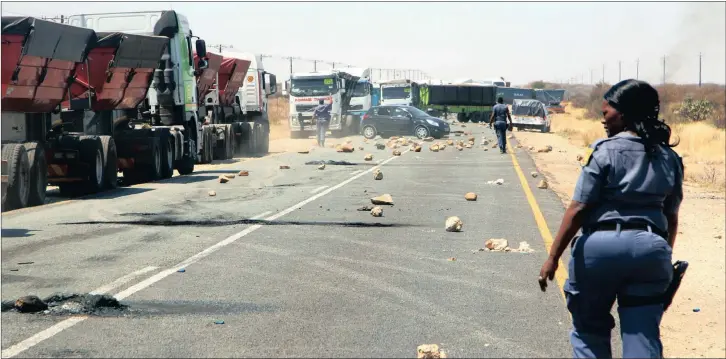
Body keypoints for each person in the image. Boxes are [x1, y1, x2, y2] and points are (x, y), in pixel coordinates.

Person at [538, 79, 684, 359]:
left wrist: (553, 257)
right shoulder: (670, 157)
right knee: (642, 336)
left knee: (588, 330)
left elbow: (579, 208)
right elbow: (671, 217)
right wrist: (663, 257)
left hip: (599, 251)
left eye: (607, 113)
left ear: (625, 113)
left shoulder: (604, 150)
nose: (602, 118)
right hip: (651, 249)